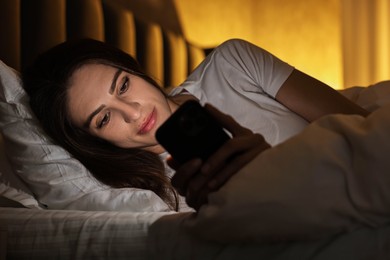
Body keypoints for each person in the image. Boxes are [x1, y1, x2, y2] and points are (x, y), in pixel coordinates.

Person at [22, 38, 369, 211]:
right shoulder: (143, 195)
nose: (133, 112)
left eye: (123, 85)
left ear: (134, 68)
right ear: (90, 140)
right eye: (104, 118)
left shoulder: (233, 63)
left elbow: (369, 133)